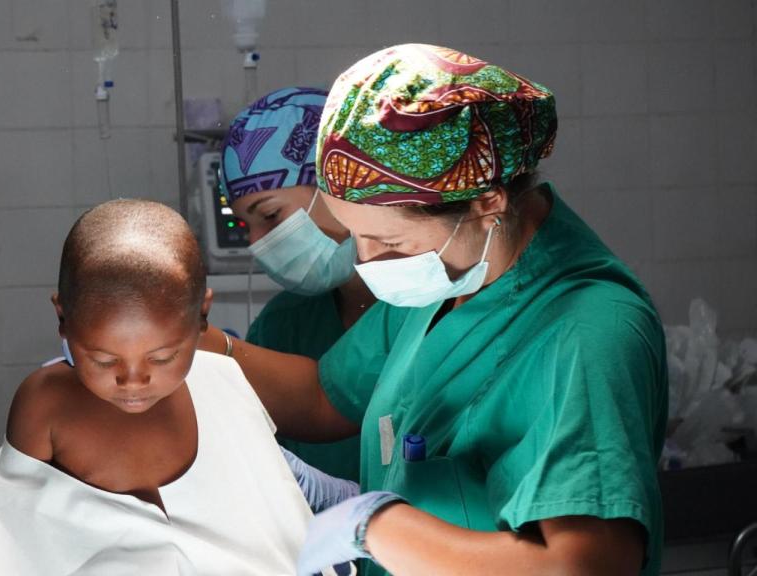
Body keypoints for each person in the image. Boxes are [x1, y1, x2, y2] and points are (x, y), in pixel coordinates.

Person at [200, 44, 668, 576]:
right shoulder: (448, 282)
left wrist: (378, 526)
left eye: (391, 244)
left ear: (486, 203)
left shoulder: (587, 331)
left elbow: (585, 566)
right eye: (354, 236)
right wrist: (190, 337)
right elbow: (324, 395)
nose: (368, 262)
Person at [0, 199, 337, 576]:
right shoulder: (48, 404)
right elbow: (4, 539)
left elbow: (274, 526)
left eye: (160, 358)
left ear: (202, 316)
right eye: (104, 360)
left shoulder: (223, 383)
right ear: (63, 318)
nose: (133, 380)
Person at [221, 87, 377, 483]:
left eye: (271, 216)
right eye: (246, 227)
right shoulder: (283, 325)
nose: (257, 243)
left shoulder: (425, 303)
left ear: (339, 185)